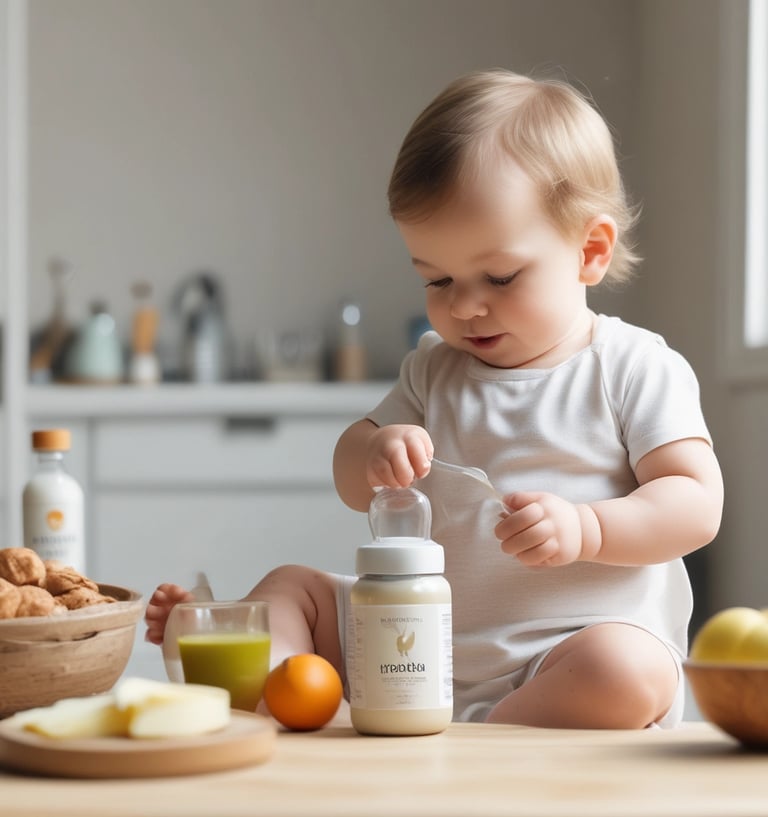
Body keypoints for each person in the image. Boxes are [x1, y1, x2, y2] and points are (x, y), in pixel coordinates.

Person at [146, 69, 723, 729]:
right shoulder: (434, 370)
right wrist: (374, 450)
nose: (464, 305)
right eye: (437, 278)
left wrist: (589, 527)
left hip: (565, 651)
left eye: (500, 276)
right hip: (410, 643)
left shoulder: (632, 365)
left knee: (628, 669)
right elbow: (349, 475)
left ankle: (492, 733)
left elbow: (695, 503)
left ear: (589, 250)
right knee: (292, 588)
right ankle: (252, 674)